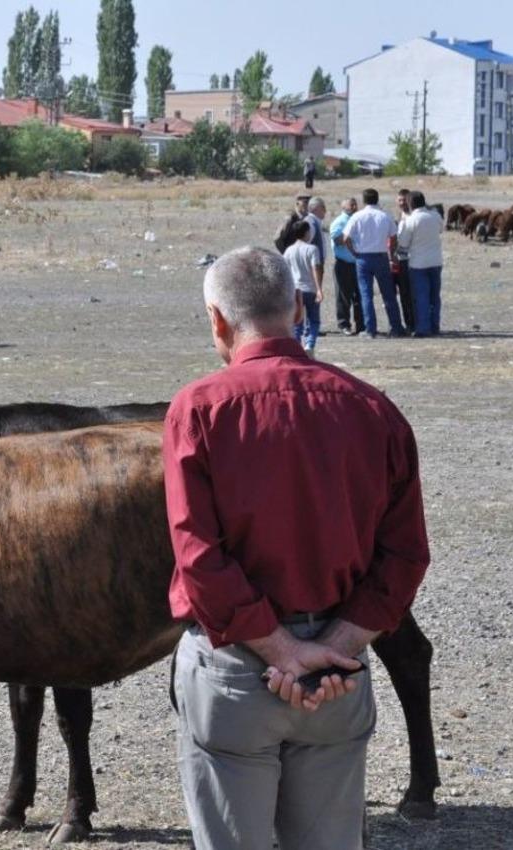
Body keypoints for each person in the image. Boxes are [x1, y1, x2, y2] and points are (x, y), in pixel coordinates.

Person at [165, 246, 430, 850]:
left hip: (234, 672)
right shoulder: (373, 408)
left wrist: (281, 650)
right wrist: (334, 647)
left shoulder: (198, 410)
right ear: (297, 305)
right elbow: (406, 555)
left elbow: (199, 558)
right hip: (337, 676)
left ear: (217, 320)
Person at [343, 188, 403, 338]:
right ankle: (395, 327)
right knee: (388, 293)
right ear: (377, 199)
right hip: (381, 256)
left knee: (366, 294)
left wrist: (354, 252)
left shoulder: (357, 216)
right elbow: (394, 236)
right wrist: (392, 252)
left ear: (363, 200)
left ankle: (370, 329)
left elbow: (345, 238)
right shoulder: (385, 215)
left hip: (363, 257)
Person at [397, 191, 444, 337]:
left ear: (410, 203)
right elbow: (441, 230)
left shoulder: (411, 220)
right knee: (434, 296)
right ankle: (434, 326)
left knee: (421, 296)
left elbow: (403, 243)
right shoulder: (436, 216)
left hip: (418, 263)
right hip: (436, 261)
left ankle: (423, 328)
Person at [284, 221, 323, 355]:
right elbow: (315, 268)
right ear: (306, 232)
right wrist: (319, 289)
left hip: (295, 290)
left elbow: (286, 271)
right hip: (310, 288)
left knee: (297, 322)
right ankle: (309, 345)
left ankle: (296, 347)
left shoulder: (289, 250)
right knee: (314, 320)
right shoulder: (312, 249)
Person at [331, 197, 363, 335]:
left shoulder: (359, 220)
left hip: (358, 263)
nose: (355, 207)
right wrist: (348, 235)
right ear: (344, 207)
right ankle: (344, 324)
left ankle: (361, 325)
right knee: (343, 295)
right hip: (343, 264)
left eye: (355, 204)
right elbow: (337, 240)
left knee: (360, 295)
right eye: (351, 205)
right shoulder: (339, 222)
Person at [389, 189, 416, 335]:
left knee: (410, 295)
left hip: (410, 261)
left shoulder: (414, 216)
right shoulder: (400, 217)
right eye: (399, 200)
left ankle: (413, 324)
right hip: (399, 261)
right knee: (403, 295)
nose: (402, 203)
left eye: (404, 200)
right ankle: (407, 324)